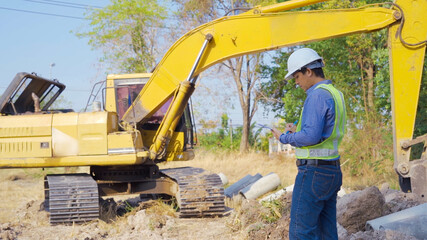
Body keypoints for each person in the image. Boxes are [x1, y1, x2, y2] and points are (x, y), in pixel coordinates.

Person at [271, 48, 346, 240]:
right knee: (326, 233)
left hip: (314, 173)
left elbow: (311, 137)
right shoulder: (335, 93)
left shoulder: (316, 95)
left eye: (297, 77)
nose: (297, 83)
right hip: (331, 171)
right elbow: (322, 134)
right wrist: (298, 132)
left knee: (300, 232)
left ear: (309, 71)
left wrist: (284, 137)